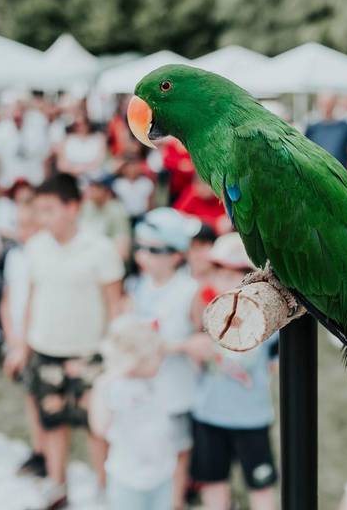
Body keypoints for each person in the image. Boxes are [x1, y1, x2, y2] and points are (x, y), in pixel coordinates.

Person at [7, 173, 125, 510]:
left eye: (48, 210)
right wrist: (22, 346)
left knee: (97, 427)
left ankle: (105, 490)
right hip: (45, 351)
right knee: (53, 423)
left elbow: (114, 305)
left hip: (90, 355)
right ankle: (57, 485)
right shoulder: (35, 248)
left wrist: (110, 354)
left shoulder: (100, 249)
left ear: (72, 207)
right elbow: (30, 299)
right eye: (38, 211)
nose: (41, 218)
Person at [189, 233, 278, 510]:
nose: (225, 281)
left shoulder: (263, 318)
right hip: (209, 413)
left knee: (260, 486)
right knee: (214, 484)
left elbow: (253, 361)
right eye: (220, 272)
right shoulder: (207, 310)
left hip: (250, 417)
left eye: (235, 274)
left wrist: (209, 349)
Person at [130, 207, 203, 510]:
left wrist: (170, 347)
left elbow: (202, 339)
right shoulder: (139, 286)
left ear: (175, 255)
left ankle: (174, 502)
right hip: (147, 388)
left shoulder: (189, 290)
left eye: (153, 250)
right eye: (140, 247)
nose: (142, 255)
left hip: (176, 388)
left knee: (177, 452)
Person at [91, 315, 175, 510]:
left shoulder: (156, 379)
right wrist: (102, 385)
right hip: (128, 478)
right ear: (137, 361)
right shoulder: (117, 388)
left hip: (161, 473)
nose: (161, 358)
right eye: (156, 355)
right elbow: (100, 427)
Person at [0, 203, 46, 478]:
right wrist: (12, 338)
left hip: (36, 339)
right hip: (17, 338)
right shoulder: (15, 256)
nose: (22, 231)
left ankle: (46, 454)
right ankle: (38, 449)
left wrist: (24, 344)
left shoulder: (41, 257)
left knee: (40, 399)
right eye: (19, 225)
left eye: (28, 225)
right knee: (29, 397)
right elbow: (7, 300)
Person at [0, 100, 51, 196]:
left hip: (34, 184)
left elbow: (46, 159)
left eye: (20, 110)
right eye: (14, 110)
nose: (17, 114)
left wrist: (44, 185)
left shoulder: (37, 130)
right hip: (8, 186)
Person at [79, 174, 131, 260]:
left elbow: (122, 250)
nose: (91, 189)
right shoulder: (86, 207)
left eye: (97, 186)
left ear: (107, 191)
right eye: (91, 185)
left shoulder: (117, 211)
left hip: (105, 261)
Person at [304, 94, 347, 169]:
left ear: (334, 104)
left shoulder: (345, 127)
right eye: (323, 103)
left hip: (340, 174)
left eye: (329, 103)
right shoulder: (312, 129)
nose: (326, 107)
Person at [56, 112, 106, 181]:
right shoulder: (66, 140)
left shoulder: (99, 138)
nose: (81, 126)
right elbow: (61, 165)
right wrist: (75, 171)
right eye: (77, 124)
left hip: (95, 178)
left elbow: (100, 161)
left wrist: (84, 169)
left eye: (84, 122)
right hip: (72, 178)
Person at [113, 155, 156, 224]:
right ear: (124, 169)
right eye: (130, 166)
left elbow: (150, 204)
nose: (133, 169)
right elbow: (116, 204)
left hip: (142, 217)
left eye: (136, 166)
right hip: (124, 218)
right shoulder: (118, 184)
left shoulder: (146, 183)